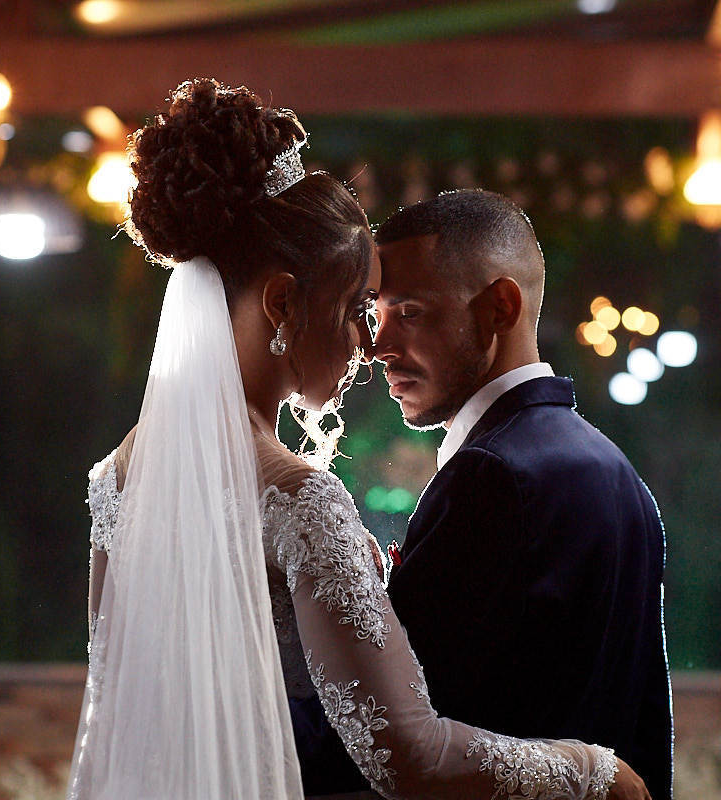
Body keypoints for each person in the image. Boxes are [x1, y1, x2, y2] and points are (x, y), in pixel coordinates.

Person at [67, 78, 650, 800]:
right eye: (355, 310)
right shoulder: (298, 499)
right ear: (283, 303)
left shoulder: (116, 477)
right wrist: (594, 772)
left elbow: (119, 702)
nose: (367, 347)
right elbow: (409, 755)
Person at [369, 190, 674, 800]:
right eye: (376, 316)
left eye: (409, 312)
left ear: (500, 308)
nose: (379, 348)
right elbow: (643, 727)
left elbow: (407, 732)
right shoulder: (616, 470)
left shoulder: (490, 476)